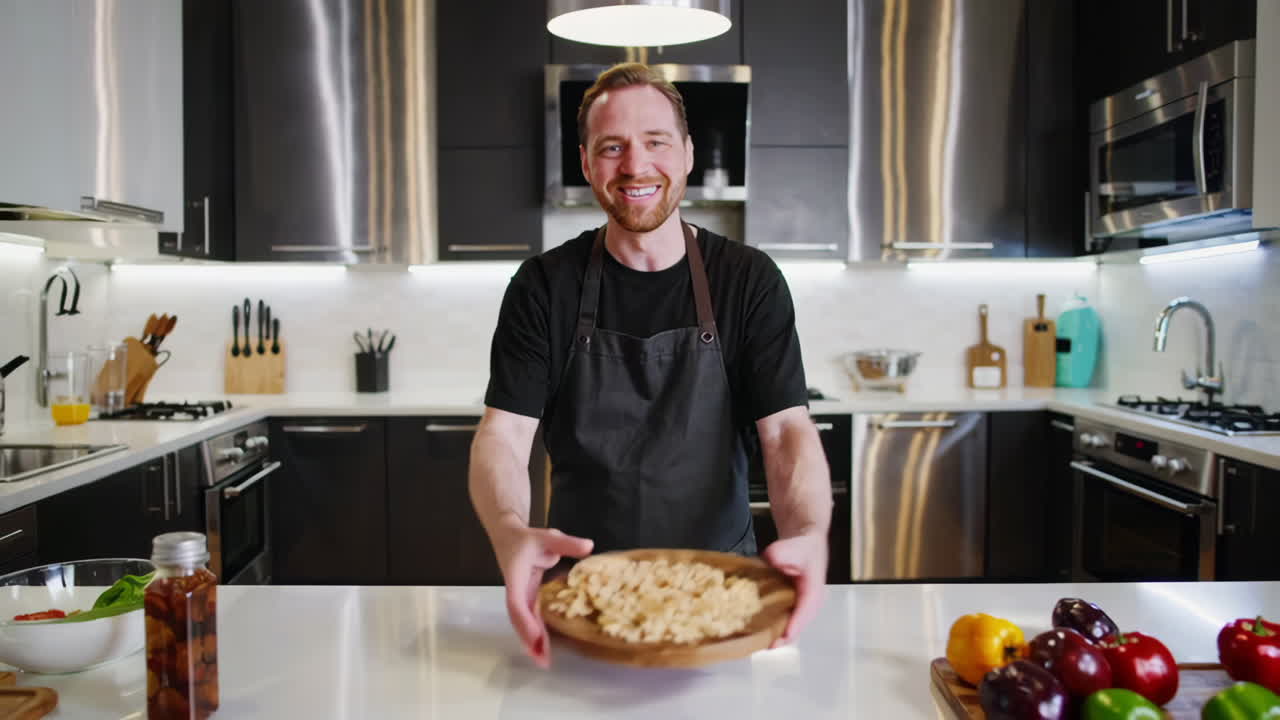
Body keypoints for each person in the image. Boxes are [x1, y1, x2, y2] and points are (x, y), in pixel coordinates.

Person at [469, 63, 832, 669]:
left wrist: (809, 532)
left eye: (656, 142)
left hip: (723, 597)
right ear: (587, 163)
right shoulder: (543, 286)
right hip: (586, 597)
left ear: (687, 154)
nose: (636, 166)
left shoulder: (748, 280)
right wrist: (509, 530)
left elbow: (787, 430)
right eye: (612, 147)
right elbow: (504, 434)